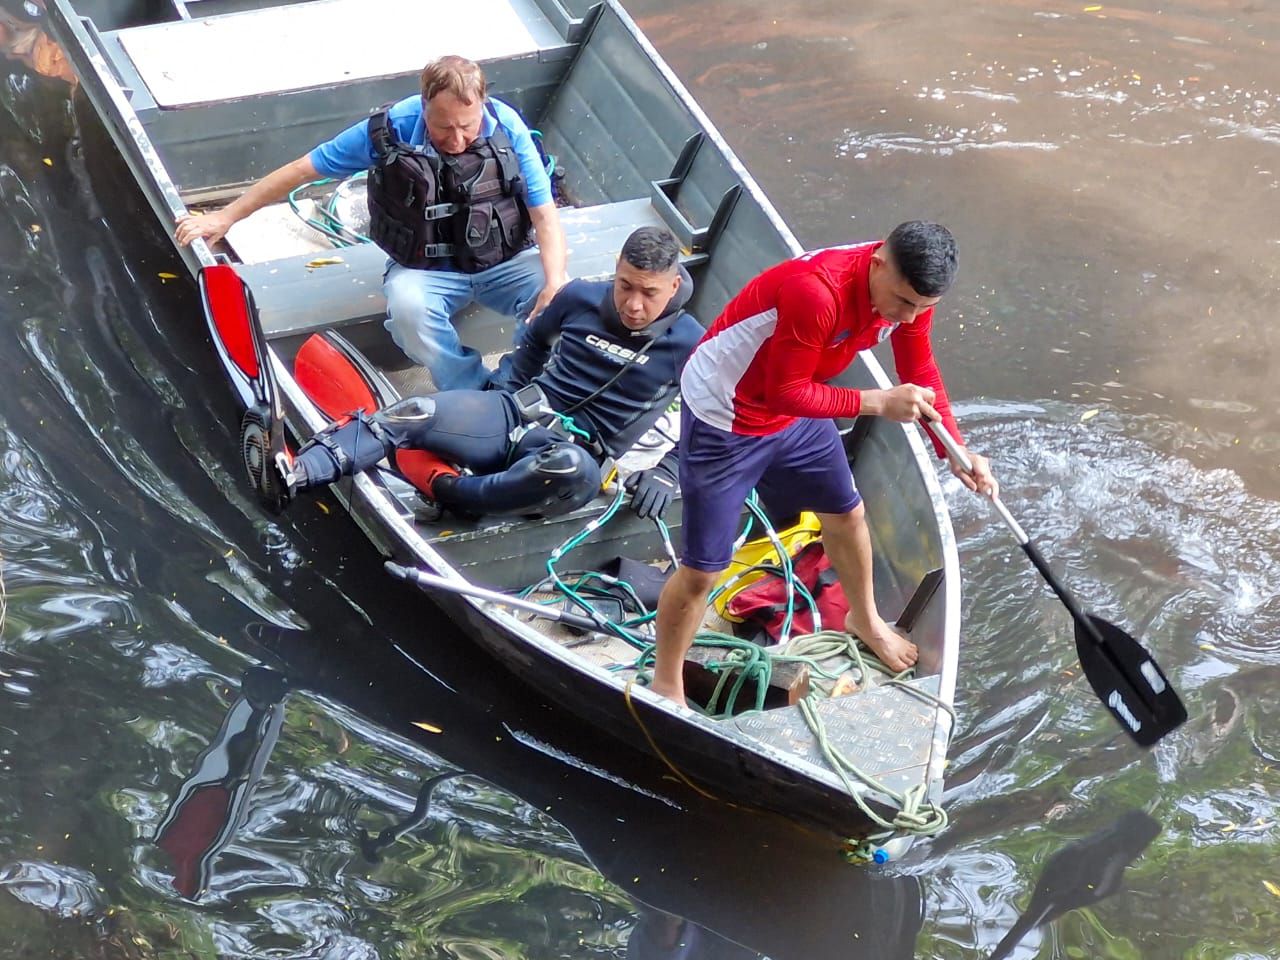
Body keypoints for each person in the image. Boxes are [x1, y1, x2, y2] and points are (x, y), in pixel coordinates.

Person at [647, 221, 998, 705]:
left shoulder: (909, 296)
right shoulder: (817, 294)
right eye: (902, 303)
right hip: (727, 414)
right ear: (878, 264)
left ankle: (866, 619)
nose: (908, 315)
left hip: (793, 410)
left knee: (847, 513)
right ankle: (666, 683)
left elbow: (919, 371)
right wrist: (877, 402)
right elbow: (784, 391)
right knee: (703, 571)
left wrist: (954, 452)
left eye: (922, 308)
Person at [176, 55, 567, 392]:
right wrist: (225, 217)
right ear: (424, 104)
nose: (458, 138)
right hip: (426, 268)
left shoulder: (507, 125)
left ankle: (518, 385)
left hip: (504, 261)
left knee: (559, 298)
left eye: (468, 125)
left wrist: (553, 282)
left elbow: (543, 213)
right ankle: (472, 390)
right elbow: (301, 170)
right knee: (410, 310)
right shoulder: (392, 128)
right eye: (445, 127)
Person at [265, 227, 701, 520]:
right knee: (411, 412)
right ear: (617, 271)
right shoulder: (581, 298)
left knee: (563, 466)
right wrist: (509, 391)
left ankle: (455, 495)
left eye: (649, 293)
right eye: (626, 286)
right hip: (515, 416)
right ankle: (297, 473)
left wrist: (668, 470)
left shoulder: (691, 344)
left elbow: (723, 422)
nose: (634, 305)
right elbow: (532, 342)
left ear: (674, 286)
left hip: (577, 458)